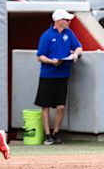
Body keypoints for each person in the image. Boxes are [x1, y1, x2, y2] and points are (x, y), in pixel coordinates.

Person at [34, 9, 83, 145]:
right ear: (59, 21)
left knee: (61, 106)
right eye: (66, 20)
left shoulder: (69, 33)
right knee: (45, 105)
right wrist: (52, 62)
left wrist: (75, 55)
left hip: (63, 75)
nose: (69, 22)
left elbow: (79, 47)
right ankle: (47, 134)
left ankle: (56, 132)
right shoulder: (46, 36)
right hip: (47, 76)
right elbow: (40, 56)